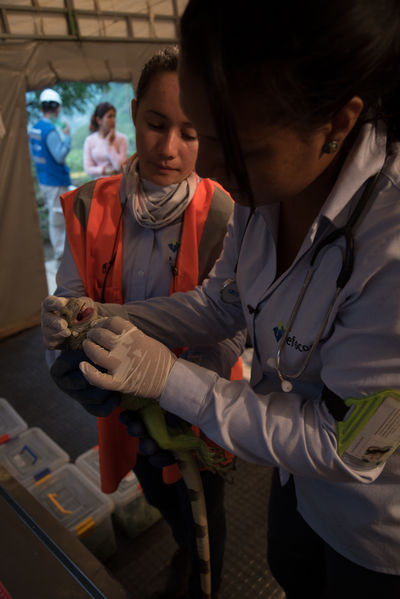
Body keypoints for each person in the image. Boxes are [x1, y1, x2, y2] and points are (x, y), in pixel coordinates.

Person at [42, 1, 400, 597]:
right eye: (201, 132)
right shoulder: (267, 193)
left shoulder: (389, 245)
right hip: (295, 485)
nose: (209, 168)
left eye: (242, 148)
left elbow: (350, 448)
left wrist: (169, 378)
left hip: (374, 528)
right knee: (290, 570)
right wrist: (114, 318)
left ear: (337, 122)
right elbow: (222, 303)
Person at [42, 46, 243, 599]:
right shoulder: (88, 205)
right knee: (155, 486)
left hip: (198, 410)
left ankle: (203, 576)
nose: (169, 148)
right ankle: (182, 544)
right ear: (133, 114)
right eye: (156, 124)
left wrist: (174, 382)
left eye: (190, 132)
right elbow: (72, 296)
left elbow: (232, 325)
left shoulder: (227, 214)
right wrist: (61, 331)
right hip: (124, 407)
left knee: (206, 509)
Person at [29, 88, 71, 261]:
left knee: (55, 218)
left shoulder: (34, 129)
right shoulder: (49, 131)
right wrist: (67, 138)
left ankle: (60, 255)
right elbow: (60, 156)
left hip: (44, 180)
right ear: (57, 108)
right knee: (59, 220)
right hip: (55, 181)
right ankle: (62, 257)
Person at [83, 102, 128, 178]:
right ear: (99, 120)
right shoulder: (90, 140)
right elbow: (88, 168)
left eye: (114, 116)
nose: (113, 120)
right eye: (109, 116)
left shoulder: (122, 139)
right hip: (99, 183)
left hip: (118, 183)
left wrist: (110, 145)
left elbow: (120, 167)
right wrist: (105, 171)